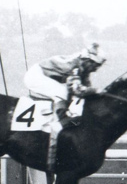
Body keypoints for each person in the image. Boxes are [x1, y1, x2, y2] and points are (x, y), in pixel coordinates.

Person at [23, 43, 106, 172]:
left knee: (69, 95)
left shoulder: (84, 67)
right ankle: (59, 122)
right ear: (89, 60)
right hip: (35, 76)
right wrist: (96, 90)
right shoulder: (74, 65)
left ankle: (61, 118)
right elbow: (77, 90)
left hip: (45, 75)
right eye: (96, 65)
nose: (96, 69)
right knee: (62, 92)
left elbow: (85, 91)